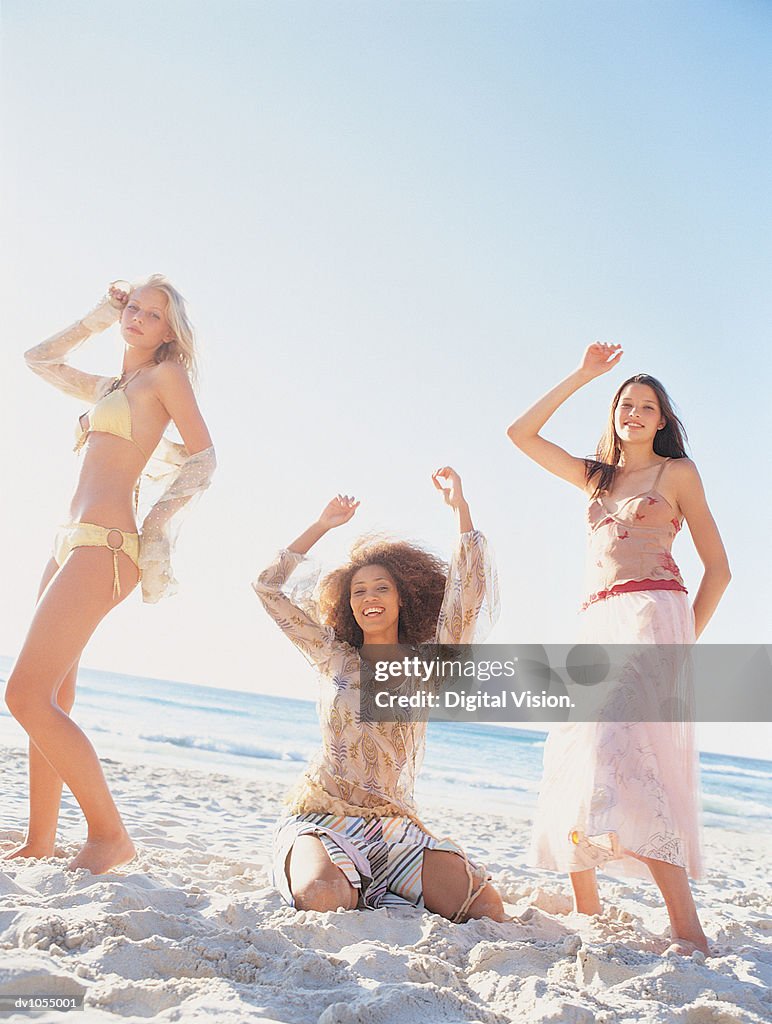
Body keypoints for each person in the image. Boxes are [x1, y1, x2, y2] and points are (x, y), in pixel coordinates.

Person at [506, 342, 731, 956]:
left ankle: (687, 928)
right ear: (614, 414)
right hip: (596, 621)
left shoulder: (677, 474)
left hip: (651, 616)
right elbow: (520, 433)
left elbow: (719, 569)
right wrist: (582, 375)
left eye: (646, 406)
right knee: (574, 751)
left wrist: (683, 644)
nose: (633, 413)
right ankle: (588, 908)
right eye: (625, 404)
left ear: (662, 420)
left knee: (626, 747)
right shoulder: (595, 477)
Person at [5, 277, 216, 874]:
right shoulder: (110, 386)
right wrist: (99, 313)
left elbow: (204, 456)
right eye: (134, 308)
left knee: (22, 695)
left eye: (153, 315)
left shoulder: (164, 378)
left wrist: (155, 529)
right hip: (69, 543)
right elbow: (38, 358)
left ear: (170, 331)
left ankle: (109, 835)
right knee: (52, 695)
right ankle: (40, 840)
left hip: (108, 546)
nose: (138, 319)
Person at [253, 468, 507, 921]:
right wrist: (321, 526)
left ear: (402, 597)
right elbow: (268, 589)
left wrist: (461, 511)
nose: (369, 597)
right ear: (347, 603)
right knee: (322, 896)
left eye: (381, 588)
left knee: (483, 906)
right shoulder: (333, 656)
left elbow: (468, 594)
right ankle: (347, 881)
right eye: (358, 591)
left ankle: (375, 886)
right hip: (324, 818)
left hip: (394, 828)